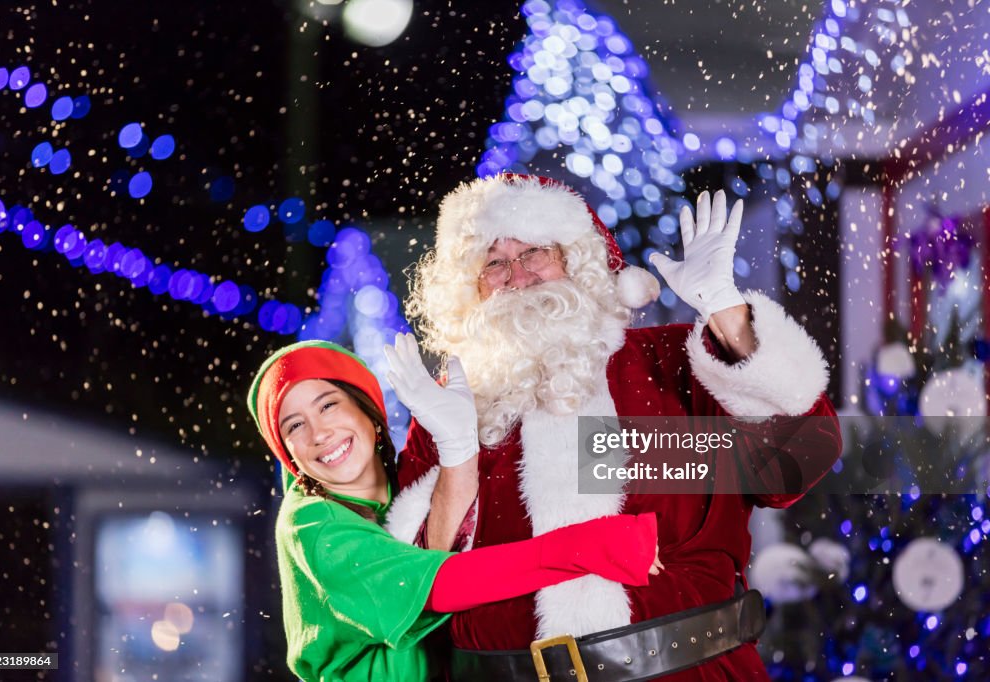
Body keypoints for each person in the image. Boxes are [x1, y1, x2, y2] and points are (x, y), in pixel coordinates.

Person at [386, 174, 843, 680]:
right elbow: (420, 580)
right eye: (493, 263)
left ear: (575, 260)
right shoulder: (452, 408)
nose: (517, 276)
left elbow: (799, 461)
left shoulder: (675, 362)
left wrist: (727, 312)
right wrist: (456, 455)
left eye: (535, 252)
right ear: (471, 289)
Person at [247, 339, 663, 682]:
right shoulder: (312, 525)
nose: (319, 433)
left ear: (369, 414)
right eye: (294, 426)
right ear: (289, 455)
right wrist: (593, 545)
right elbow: (444, 585)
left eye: (327, 405)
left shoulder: (403, 485)